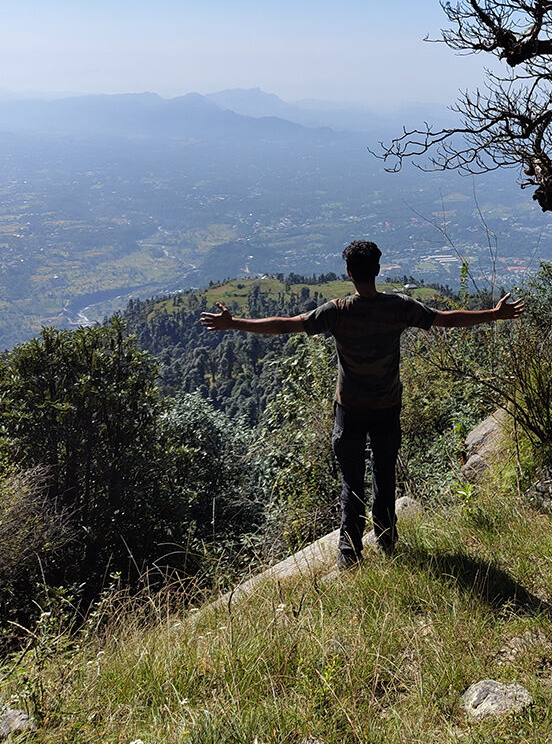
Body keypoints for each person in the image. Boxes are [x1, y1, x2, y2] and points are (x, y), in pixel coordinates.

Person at [199, 239, 524, 569]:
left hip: (350, 410)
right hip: (386, 407)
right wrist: (494, 315)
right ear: (378, 270)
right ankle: (387, 543)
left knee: (351, 483)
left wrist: (234, 323)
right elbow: (445, 319)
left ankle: (349, 555)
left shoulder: (338, 312)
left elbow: (287, 324)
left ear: (350, 273)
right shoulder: (399, 307)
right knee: (384, 478)